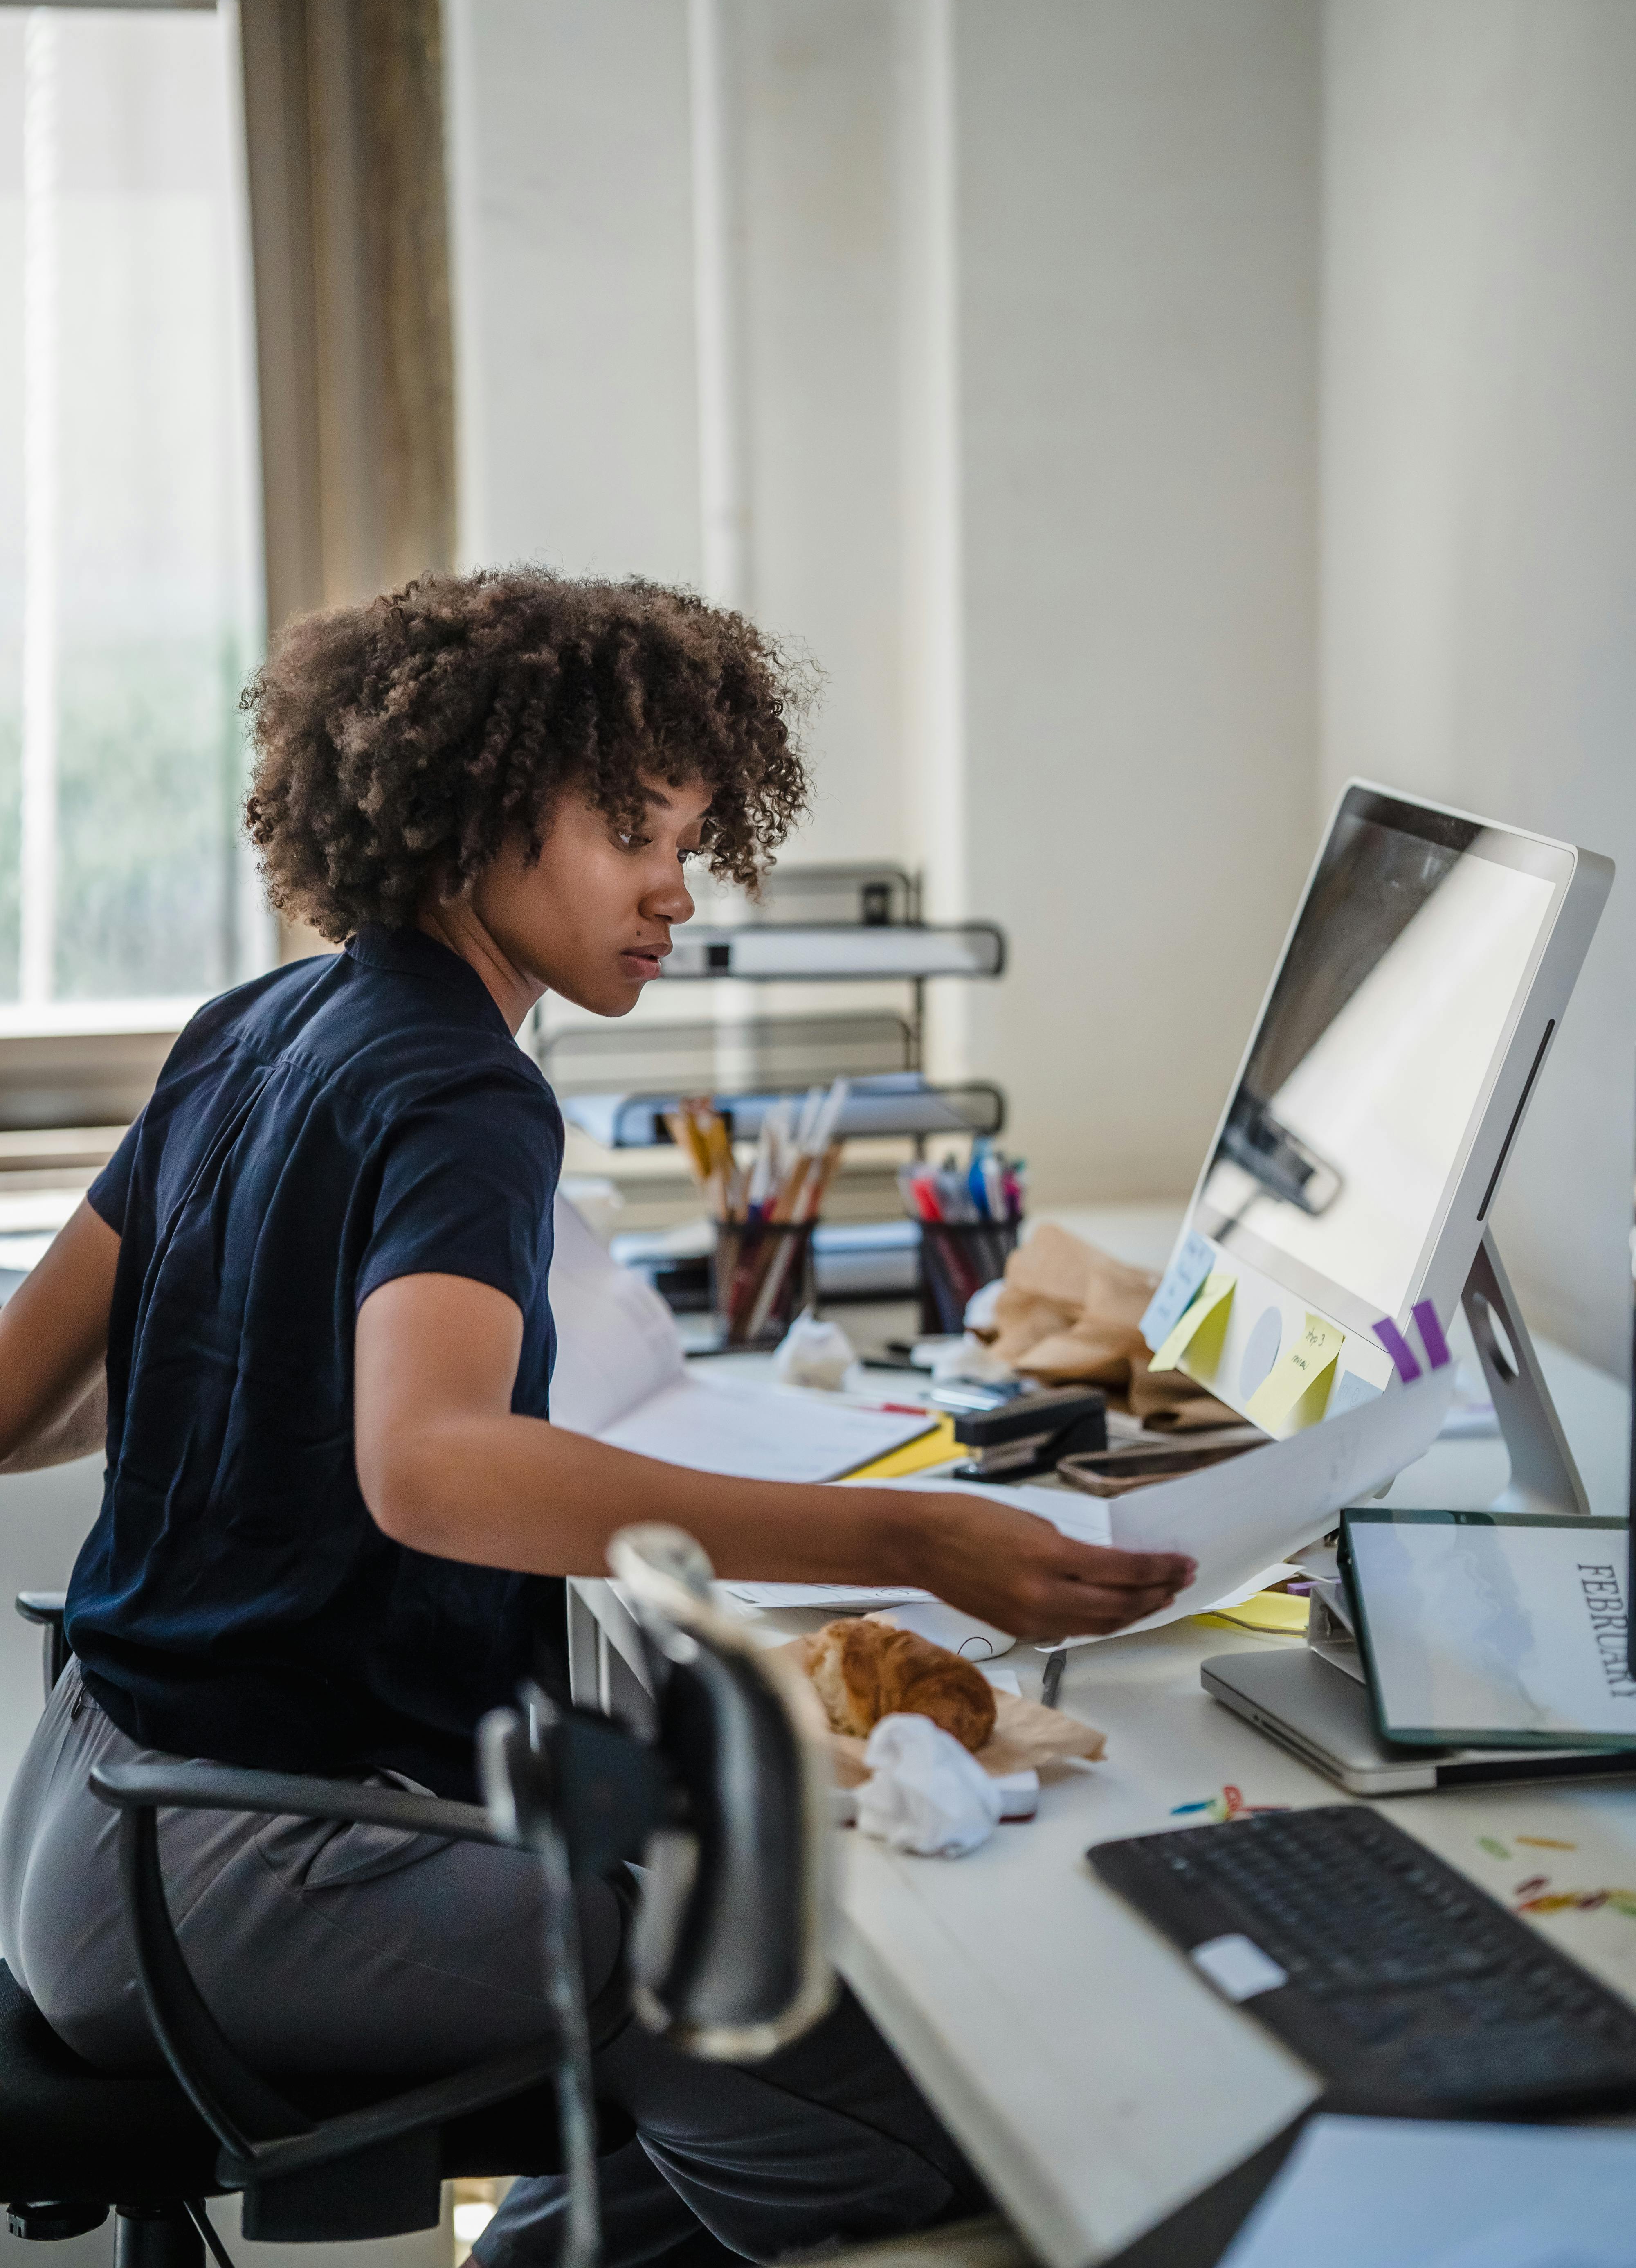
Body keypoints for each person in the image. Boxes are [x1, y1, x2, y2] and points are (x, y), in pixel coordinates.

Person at [0, 569, 1193, 2267]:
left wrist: (249, 1347)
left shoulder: (250, 1029)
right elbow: (431, 1469)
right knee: (923, 2054)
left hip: (87, 1822)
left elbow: (18, 1399)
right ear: (474, 811)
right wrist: (904, 1533)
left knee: (748, 1975)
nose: (674, 894)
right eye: (634, 833)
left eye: (692, 840)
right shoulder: (462, 1088)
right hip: (236, 1880)